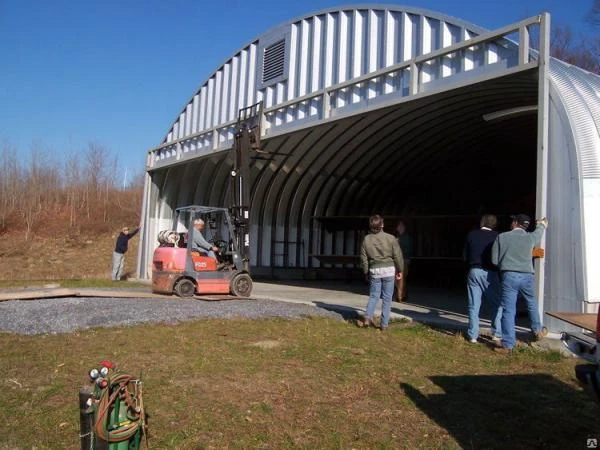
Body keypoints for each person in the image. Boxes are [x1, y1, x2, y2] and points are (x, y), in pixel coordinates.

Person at [491, 214, 548, 353]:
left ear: (515, 223)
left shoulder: (502, 237)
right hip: (527, 275)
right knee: (531, 302)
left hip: (509, 275)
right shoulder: (530, 237)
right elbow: (539, 231)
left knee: (509, 310)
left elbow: (494, 260)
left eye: (512, 221)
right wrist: (541, 224)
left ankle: (508, 345)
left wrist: (505, 264)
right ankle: (537, 330)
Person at [359, 214, 404, 331]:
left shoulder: (366, 239)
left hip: (374, 270)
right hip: (389, 270)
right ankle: (384, 325)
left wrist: (366, 271)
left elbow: (363, 258)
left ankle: (367, 317)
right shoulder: (391, 238)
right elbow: (397, 256)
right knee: (387, 298)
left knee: (374, 295)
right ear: (382, 225)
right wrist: (400, 270)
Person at [463, 214, 502, 343]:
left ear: (482, 222)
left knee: (474, 305)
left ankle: (473, 335)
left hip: (474, 271)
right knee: (496, 304)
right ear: (494, 224)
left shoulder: (472, 235)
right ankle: (496, 333)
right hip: (490, 273)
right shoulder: (498, 237)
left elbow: (465, 256)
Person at [393, 219, 413, 302]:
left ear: (404, 227)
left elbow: (408, 249)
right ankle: (401, 295)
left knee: (401, 278)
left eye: (400, 225)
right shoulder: (398, 236)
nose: (399, 227)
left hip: (404, 259)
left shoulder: (406, 237)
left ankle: (400, 296)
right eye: (398, 225)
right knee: (398, 278)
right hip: (398, 259)